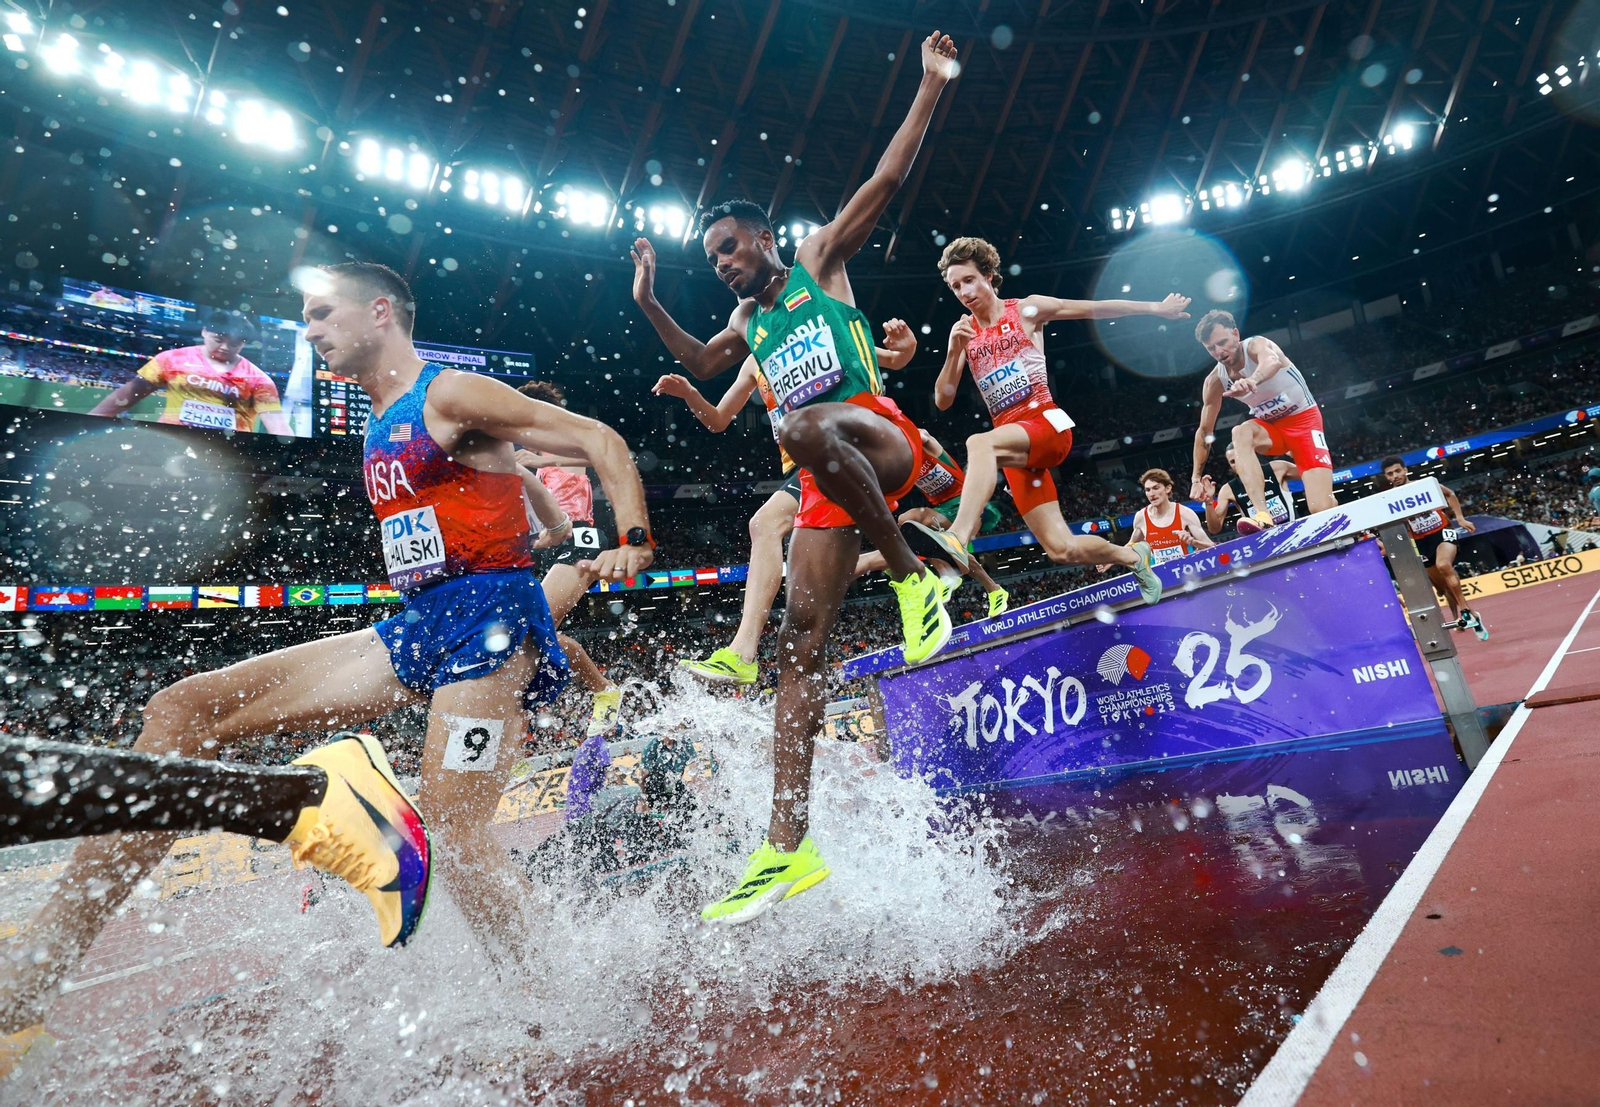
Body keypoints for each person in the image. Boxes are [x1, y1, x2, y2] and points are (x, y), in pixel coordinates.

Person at [0, 261, 656, 1035]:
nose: (307, 330)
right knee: (183, 709)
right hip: (416, 622)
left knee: (460, 832)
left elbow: (599, 438)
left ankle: (559, 1012)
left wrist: (633, 539)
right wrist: (542, 522)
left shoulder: (446, 394)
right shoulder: (380, 418)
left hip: (491, 625)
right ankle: (42, 965)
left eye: (319, 313)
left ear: (380, 312)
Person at [632, 29, 964, 923]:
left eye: (732, 247)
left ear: (768, 237)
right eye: (714, 258)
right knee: (800, 649)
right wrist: (651, 301)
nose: (726, 263)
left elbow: (886, 182)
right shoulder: (746, 320)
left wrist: (930, 85)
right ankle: (788, 847)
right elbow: (705, 362)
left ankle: (911, 578)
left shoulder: (820, 260)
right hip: (827, 479)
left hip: (882, 437)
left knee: (800, 421)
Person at [652, 320, 920, 685]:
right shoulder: (753, 364)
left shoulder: (816, 335)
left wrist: (906, 347)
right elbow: (717, 420)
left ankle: (743, 652)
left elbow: (893, 360)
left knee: (765, 525)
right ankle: (907, 556)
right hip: (806, 466)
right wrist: (689, 395)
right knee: (812, 577)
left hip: (839, 450)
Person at [932, 235, 1179, 600]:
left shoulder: (1027, 310)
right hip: (1012, 446)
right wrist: (954, 351)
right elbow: (942, 400)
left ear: (988, 275)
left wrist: (1155, 308)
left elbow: (1093, 308)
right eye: (955, 286)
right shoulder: (965, 335)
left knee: (977, 442)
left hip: (1045, 425)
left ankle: (959, 536)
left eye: (968, 280)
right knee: (1061, 549)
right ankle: (1134, 556)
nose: (963, 291)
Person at [513, 379, 622, 733]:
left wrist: (536, 458)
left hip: (582, 540)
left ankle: (603, 690)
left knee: (536, 631)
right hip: (560, 542)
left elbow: (594, 455)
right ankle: (599, 690)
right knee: (532, 636)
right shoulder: (538, 450)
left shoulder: (558, 434)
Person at [1190, 310, 1337, 532]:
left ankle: (1341, 514)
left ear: (1236, 334)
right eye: (1211, 348)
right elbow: (1204, 432)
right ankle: (1262, 515)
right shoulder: (1215, 381)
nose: (1219, 352)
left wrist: (1252, 379)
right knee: (1240, 432)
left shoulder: (1256, 346)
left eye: (1223, 342)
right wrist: (1195, 478)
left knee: (1321, 508)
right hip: (1272, 430)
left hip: (1304, 423)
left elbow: (1272, 360)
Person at [852, 429, 1012, 616]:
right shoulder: (904, 466)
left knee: (952, 547)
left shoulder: (931, 448)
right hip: (942, 512)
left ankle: (973, 584)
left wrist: (894, 435)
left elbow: (923, 434)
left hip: (969, 505)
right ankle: (982, 586)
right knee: (912, 524)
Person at [88, 310, 291, 434]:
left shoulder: (258, 378)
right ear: (204, 331)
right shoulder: (171, 359)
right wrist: (88, 421)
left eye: (235, 344)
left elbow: (277, 424)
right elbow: (128, 394)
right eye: (218, 340)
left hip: (229, 452)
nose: (224, 348)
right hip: (171, 445)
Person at [1381, 456, 1487, 639]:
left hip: (1443, 531)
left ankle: (1466, 612)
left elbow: (1450, 494)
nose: (1395, 476)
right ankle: (1467, 616)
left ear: (1405, 470)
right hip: (1422, 541)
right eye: (1390, 474)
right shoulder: (1389, 498)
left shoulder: (1424, 485)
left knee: (1444, 565)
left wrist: (1460, 518)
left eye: (1398, 471)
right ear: (1386, 477)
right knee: (1443, 588)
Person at [1200, 444, 1300, 535]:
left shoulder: (1277, 469)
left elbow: (1310, 474)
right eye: (1232, 462)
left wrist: (1296, 454)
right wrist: (1209, 503)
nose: (1238, 464)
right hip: (1264, 541)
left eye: (1240, 458)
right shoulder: (1228, 490)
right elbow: (1214, 529)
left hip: (1295, 531)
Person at [1122, 468, 1214, 565]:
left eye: (1156, 488)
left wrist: (1194, 542)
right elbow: (1131, 545)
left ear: (1168, 488)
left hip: (1188, 572)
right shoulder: (1141, 517)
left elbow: (1211, 547)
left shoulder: (1185, 513)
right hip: (1160, 576)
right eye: (1148, 490)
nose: (1151, 494)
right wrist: (1110, 559)